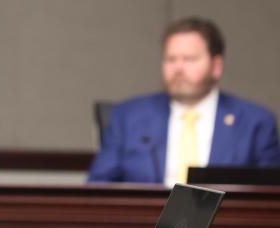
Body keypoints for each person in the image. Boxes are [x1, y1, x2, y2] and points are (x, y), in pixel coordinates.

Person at [88, 17, 280, 185]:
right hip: (145, 223)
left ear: (216, 66)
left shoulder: (255, 122)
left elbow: (269, 198)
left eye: (189, 59)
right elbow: (98, 188)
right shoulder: (128, 117)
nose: (178, 68)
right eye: (170, 59)